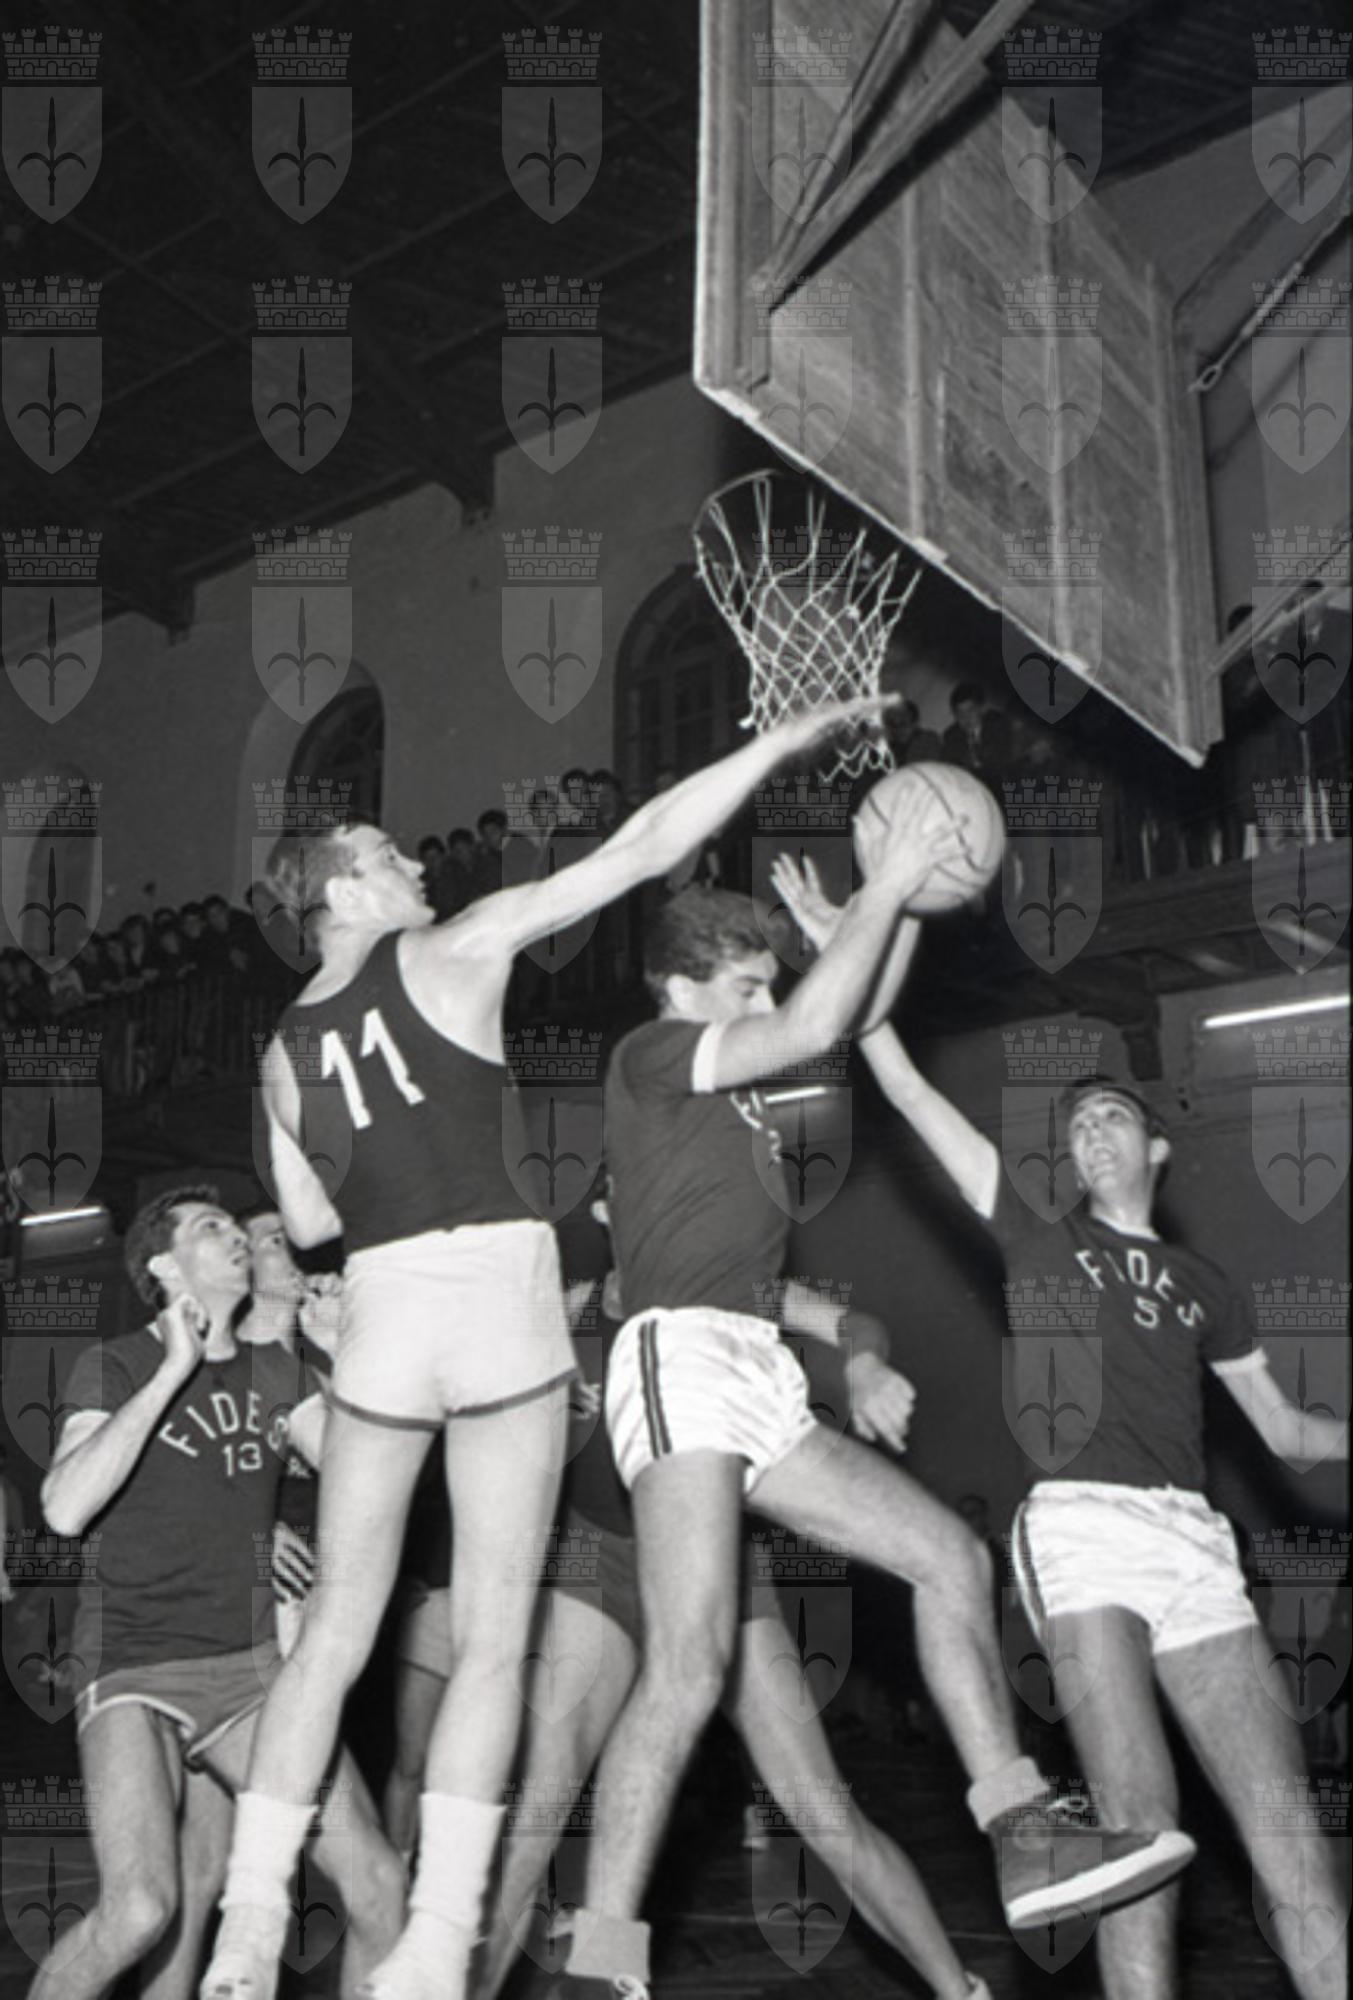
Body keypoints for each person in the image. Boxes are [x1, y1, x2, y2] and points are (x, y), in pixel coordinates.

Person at [200, 696, 896, 2000]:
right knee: (496, 1636)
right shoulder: (454, 947)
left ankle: (247, 1922)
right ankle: (436, 1942)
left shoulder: (282, 1053)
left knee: (336, 1628)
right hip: (492, 1294)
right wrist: (768, 744)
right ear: (342, 890)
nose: (416, 862)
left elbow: (308, 1221)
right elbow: (640, 849)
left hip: (386, 1306)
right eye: (388, 855)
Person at [544, 815, 1190, 1998]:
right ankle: (603, 1961)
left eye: (768, 981)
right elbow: (810, 1022)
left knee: (949, 1554)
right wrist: (889, 882)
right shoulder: (652, 1052)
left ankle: (1024, 1829)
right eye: (744, 984)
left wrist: (873, 920)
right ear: (683, 987)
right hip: (681, 1356)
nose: (765, 1000)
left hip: (755, 1369)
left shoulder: (736, 1078)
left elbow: (845, 1016)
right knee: (688, 1664)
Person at [776, 856, 1349, 2000]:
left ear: (1155, 1148)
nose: (1092, 1133)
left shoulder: (1205, 1285)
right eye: (1079, 1123)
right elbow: (908, 1089)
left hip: (1199, 1548)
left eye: (1112, 1117)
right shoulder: (1039, 1237)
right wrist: (860, 936)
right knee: (1141, 1834)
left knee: (1292, 1846)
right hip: (1085, 1533)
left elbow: (1287, 1430)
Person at [395, 1205, 994, 2000]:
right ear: (610, 1202)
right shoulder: (566, 1305)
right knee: (537, 1810)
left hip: (720, 1569)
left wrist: (864, 1365)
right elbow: (445, 1343)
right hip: (602, 1568)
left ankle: (959, 1990)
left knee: (822, 1813)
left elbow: (857, 1322)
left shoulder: (736, 1287)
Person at [32, 1186, 402, 2000]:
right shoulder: (117, 1363)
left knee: (377, 1884)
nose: (236, 1236)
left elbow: (366, 1485)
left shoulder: (279, 1372)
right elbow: (63, 1508)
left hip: (249, 1672)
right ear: (167, 1268)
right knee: (141, 1910)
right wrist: (174, 1368)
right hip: (133, 1664)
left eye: (239, 1227)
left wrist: (346, 1362)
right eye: (212, 1228)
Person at [941, 682, 1010, 788]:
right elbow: (950, 770)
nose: (966, 718)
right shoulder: (951, 736)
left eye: (971, 710)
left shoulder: (1000, 725)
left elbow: (1004, 763)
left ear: (982, 708)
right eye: (960, 713)